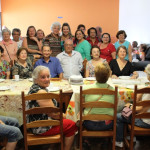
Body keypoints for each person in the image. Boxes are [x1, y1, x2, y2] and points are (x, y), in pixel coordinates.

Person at [27, 66, 78, 150]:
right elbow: (54, 114)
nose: (47, 79)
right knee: (72, 124)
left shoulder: (35, 88)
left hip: (38, 123)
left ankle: (52, 147)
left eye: (48, 76)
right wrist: (69, 116)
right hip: (40, 127)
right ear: (35, 79)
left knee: (67, 120)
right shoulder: (41, 93)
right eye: (43, 77)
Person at [115, 64, 150, 148]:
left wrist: (130, 106)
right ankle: (130, 136)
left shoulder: (148, 90)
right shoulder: (147, 88)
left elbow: (141, 110)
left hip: (146, 122)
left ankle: (119, 141)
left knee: (118, 116)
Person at [83, 62, 114, 133]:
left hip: (89, 123)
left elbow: (82, 104)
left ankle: (88, 140)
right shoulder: (114, 90)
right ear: (109, 75)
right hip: (107, 124)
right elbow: (117, 108)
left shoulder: (86, 89)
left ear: (95, 75)